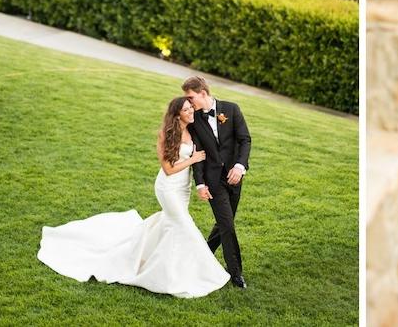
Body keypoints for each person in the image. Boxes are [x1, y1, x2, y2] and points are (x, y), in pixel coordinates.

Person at [38, 96, 230, 296]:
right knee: (185, 227)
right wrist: (193, 159)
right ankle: (206, 273)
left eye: (191, 108)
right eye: (186, 110)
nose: (191, 112)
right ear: (177, 114)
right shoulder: (166, 134)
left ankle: (155, 261)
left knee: (171, 226)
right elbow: (168, 169)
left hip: (183, 189)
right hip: (168, 188)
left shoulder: (193, 130)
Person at [182, 76, 252, 289]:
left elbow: (244, 140)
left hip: (235, 177)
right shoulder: (195, 122)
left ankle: (202, 255)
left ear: (203, 93)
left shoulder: (231, 109)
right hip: (214, 181)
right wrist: (201, 184)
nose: (189, 102)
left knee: (223, 224)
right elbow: (198, 154)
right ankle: (235, 273)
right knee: (227, 225)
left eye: (191, 97)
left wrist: (240, 166)